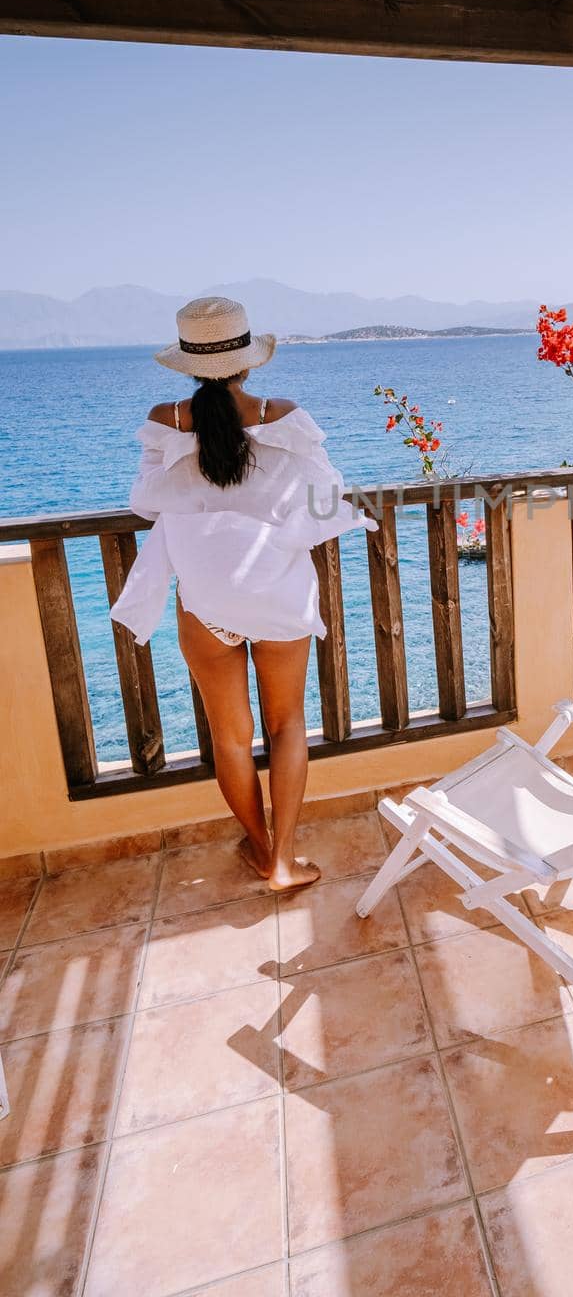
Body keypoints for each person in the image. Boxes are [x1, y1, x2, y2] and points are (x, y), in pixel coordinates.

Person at [111, 296, 375, 891]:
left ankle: (258, 849)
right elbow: (326, 499)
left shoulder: (166, 420)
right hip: (275, 590)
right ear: (248, 361)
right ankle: (284, 860)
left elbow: (147, 502)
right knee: (286, 726)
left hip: (205, 597)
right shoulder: (283, 415)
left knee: (230, 736)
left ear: (187, 363)